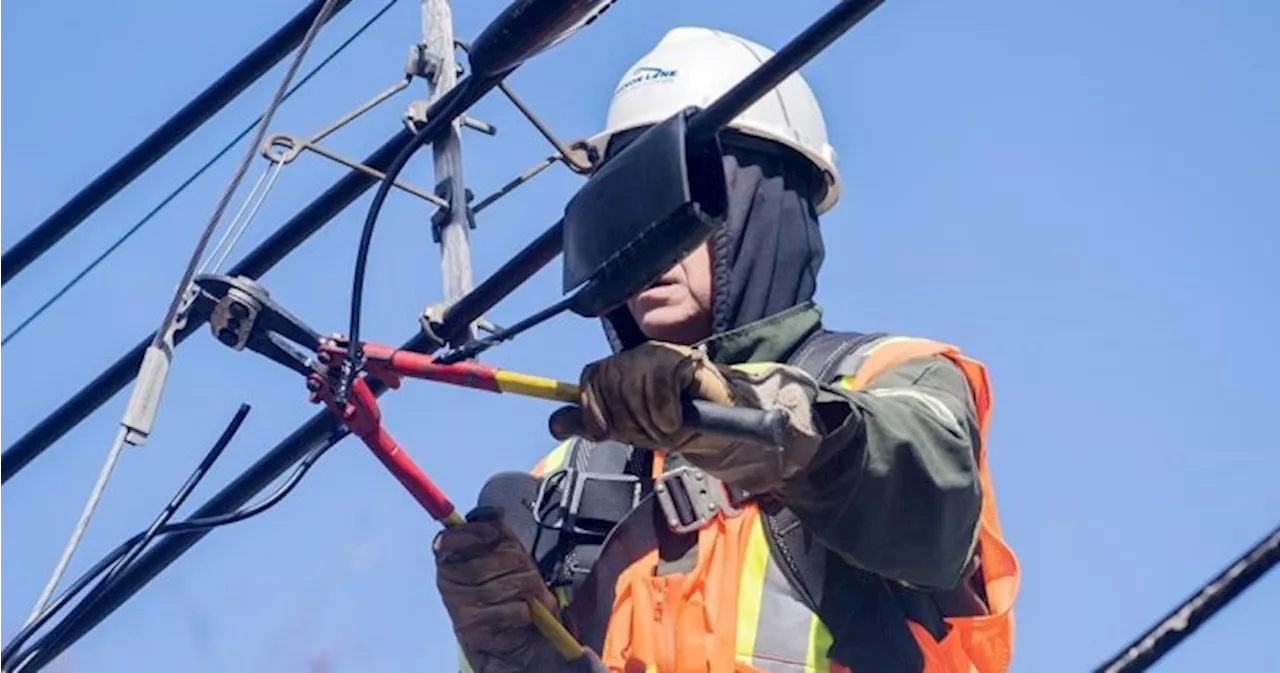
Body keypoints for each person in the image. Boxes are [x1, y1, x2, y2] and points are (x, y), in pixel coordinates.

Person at [432, 26, 1020, 673]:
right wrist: (516, 656)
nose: (644, 247)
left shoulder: (886, 377)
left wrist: (739, 412)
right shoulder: (560, 484)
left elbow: (924, 501)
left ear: (758, 206)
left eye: (671, 205)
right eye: (624, 216)